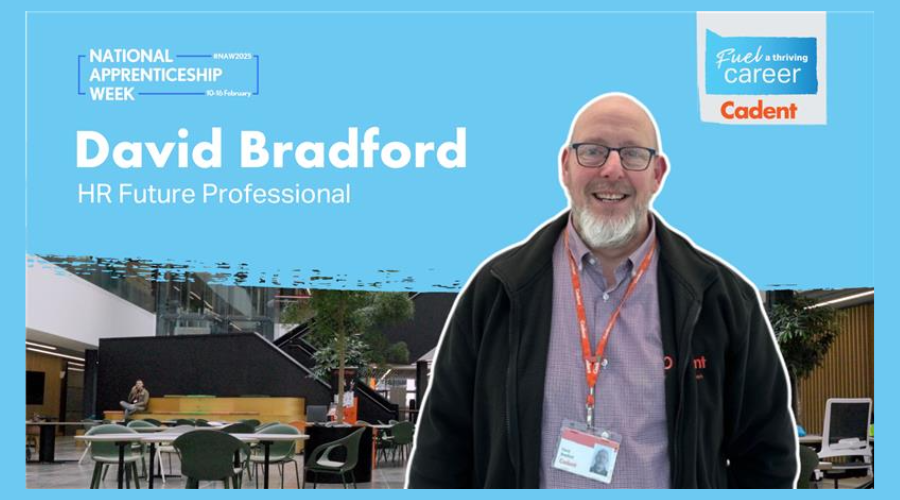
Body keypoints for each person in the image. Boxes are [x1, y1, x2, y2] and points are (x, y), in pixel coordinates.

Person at [407, 93, 798, 488]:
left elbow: (767, 457)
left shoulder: (720, 299)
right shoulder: (497, 293)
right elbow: (442, 451)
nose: (612, 170)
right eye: (592, 151)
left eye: (632, 154)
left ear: (658, 174)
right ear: (565, 166)